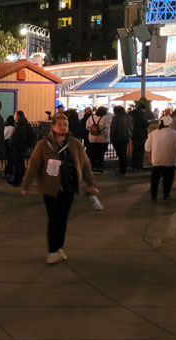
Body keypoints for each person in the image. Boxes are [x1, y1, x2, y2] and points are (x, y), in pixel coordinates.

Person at [21, 112, 99, 264]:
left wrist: (91, 184)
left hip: (69, 186)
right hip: (50, 187)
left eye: (66, 125)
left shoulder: (75, 144)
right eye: (60, 124)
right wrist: (26, 184)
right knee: (53, 218)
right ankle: (52, 250)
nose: (63, 127)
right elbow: (33, 165)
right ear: (53, 126)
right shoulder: (43, 145)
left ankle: (59, 247)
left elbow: (85, 165)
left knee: (63, 219)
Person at [145, 115, 176, 201]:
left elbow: (147, 148)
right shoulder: (175, 134)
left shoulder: (153, 134)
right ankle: (166, 194)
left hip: (156, 160)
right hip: (170, 161)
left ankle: (153, 196)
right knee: (168, 180)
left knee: (155, 180)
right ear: (170, 123)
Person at [9, 110, 35, 186]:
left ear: (18, 116)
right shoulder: (24, 123)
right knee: (20, 163)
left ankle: (17, 180)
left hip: (19, 147)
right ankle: (21, 179)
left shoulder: (19, 125)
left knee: (18, 164)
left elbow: (17, 137)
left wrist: (11, 143)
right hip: (22, 147)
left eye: (15, 114)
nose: (14, 115)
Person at [85, 106, 111, 173]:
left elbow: (87, 127)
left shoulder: (91, 117)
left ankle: (93, 166)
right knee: (101, 154)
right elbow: (108, 126)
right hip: (103, 139)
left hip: (92, 138)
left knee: (93, 153)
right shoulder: (106, 118)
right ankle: (99, 167)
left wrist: (92, 130)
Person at [110, 106, 133, 176]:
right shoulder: (128, 116)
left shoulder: (116, 117)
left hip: (118, 137)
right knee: (124, 153)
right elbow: (131, 127)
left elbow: (113, 128)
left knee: (121, 154)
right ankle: (123, 169)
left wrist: (112, 137)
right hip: (126, 137)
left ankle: (122, 170)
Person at [131, 103, 149, 171]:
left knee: (135, 150)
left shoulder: (132, 114)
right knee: (140, 151)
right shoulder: (140, 115)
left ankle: (134, 166)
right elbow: (144, 124)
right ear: (143, 109)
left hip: (133, 134)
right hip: (140, 135)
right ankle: (139, 166)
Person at [2, 113, 16, 181]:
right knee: (11, 160)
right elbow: (12, 136)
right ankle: (9, 173)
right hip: (10, 144)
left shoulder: (5, 127)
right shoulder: (13, 128)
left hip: (4, 144)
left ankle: (6, 173)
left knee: (8, 160)